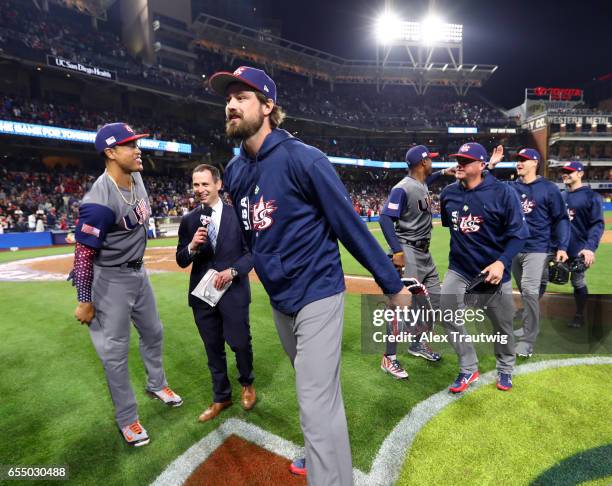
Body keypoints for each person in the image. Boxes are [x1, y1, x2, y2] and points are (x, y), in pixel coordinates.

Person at [209, 66, 411, 484]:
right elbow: (253, 241)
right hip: (281, 299)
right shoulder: (236, 171)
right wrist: (237, 269)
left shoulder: (305, 159)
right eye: (228, 98)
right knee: (321, 400)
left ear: (267, 106)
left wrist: (391, 286)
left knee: (314, 403)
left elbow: (349, 226)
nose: (230, 104)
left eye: (242, 97)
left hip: (317, 292)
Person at [71, 123, 182, 447]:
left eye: (137, 143)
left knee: (154, 331)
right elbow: (83, 254)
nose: (138, 150)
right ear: (110, 152)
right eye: (129, 145)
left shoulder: (137, 176)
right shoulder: (99, 199)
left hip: (139, 274)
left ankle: (156, 383)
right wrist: (84, 299)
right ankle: (127, 418)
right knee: (115, 354)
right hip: (111, 280)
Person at [439, 142, 529, 393]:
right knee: (447, 314)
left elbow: (519, 235)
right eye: (458, 159)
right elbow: (452, 227)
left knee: (502, 325)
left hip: (494, 272)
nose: (459, 164)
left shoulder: (503, 193)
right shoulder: (448, 194)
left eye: (466, 161)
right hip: (459, 269)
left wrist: (502, 262)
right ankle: (468, 367)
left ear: (481, 165)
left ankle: (506, 367)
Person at [176, 164, 256, 422]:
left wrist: (233, 271)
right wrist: (191, 245)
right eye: (196, 185)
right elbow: (181, 259)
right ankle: (221, 396)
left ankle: (247, 384)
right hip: (202, 295)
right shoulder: (189, 221)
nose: (200, 190)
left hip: (232, 290)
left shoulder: (239, 216)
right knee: (213, 349)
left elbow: (252, 254)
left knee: (240, 342)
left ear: (218, 185)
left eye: (205, 184)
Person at [378, 145, 453, 378]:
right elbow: (384, 219)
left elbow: (426, 182)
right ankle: (389, 358)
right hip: (409, 251)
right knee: (400, 307)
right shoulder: (402, 188)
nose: (432, 162)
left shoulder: (420, 184)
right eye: (430, 160)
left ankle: (416, 344)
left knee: (434, 305)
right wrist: (398, 251)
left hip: (425, 254)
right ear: (422, 163)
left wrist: (445, 172)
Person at [487, 147, 570, 357]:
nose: (519, 162)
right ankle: (527, 325)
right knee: (527, 291)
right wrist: (491, 165)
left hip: (538, 247)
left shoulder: (549, 188)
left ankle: (527, 341)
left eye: (524, 159)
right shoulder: (511, 187)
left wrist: (562, 246)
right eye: (518, 159)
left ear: (535, 163)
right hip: (514, 247)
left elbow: (561, 218)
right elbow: (486, 186)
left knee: (529, 289)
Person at [559, 161, 605, 327]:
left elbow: (597, 224)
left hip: (579, 249)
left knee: (577, 282)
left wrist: (590, 248)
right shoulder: (561, 195)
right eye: (564, 171)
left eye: (570, 171)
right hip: (559, 249)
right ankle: (529, 311)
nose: (565, 174)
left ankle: (579, 314)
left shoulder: (591, 197)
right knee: (540, 278)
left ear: (580, 174)